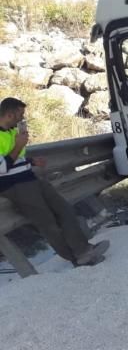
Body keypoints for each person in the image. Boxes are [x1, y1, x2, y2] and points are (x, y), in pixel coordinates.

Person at [0, 97, 108, 267]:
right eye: (20, 114)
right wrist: (19, 146)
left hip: (31, 178)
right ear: (10, 114)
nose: (23, 118)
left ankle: (83, 250)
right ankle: (76, 258)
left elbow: (16, 159)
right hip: (15, 187)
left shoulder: (13, 132)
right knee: (48, 223)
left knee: (64, 210)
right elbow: (2, 168)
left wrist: (32, 161)